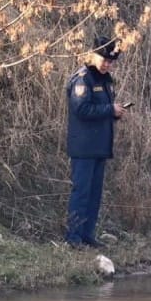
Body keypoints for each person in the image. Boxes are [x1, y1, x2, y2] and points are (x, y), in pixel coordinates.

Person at [64, 36, 127, 249]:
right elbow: (81, 109)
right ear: (93, 55)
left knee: (94, 194)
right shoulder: (82, 79)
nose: (107, 64)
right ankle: (73, 237)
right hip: (83, 147)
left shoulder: (106, 80)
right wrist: (110, 110)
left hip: (100, 146)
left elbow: (101, 110)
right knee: (81, 193)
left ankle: (87, 235)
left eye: (110, 61)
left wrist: (115, 113)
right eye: (104, 59)